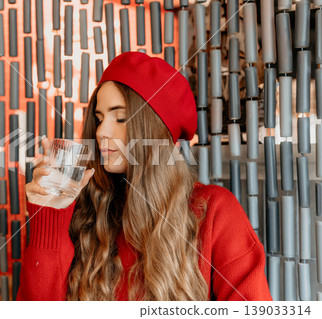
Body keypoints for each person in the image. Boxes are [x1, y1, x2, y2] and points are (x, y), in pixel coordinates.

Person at [16, 52, 272, 301]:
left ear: (155, 129)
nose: (102, 131)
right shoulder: (83, 212)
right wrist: (48, 219)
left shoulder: (214, 212)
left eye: (121, 118)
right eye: (99, 117)